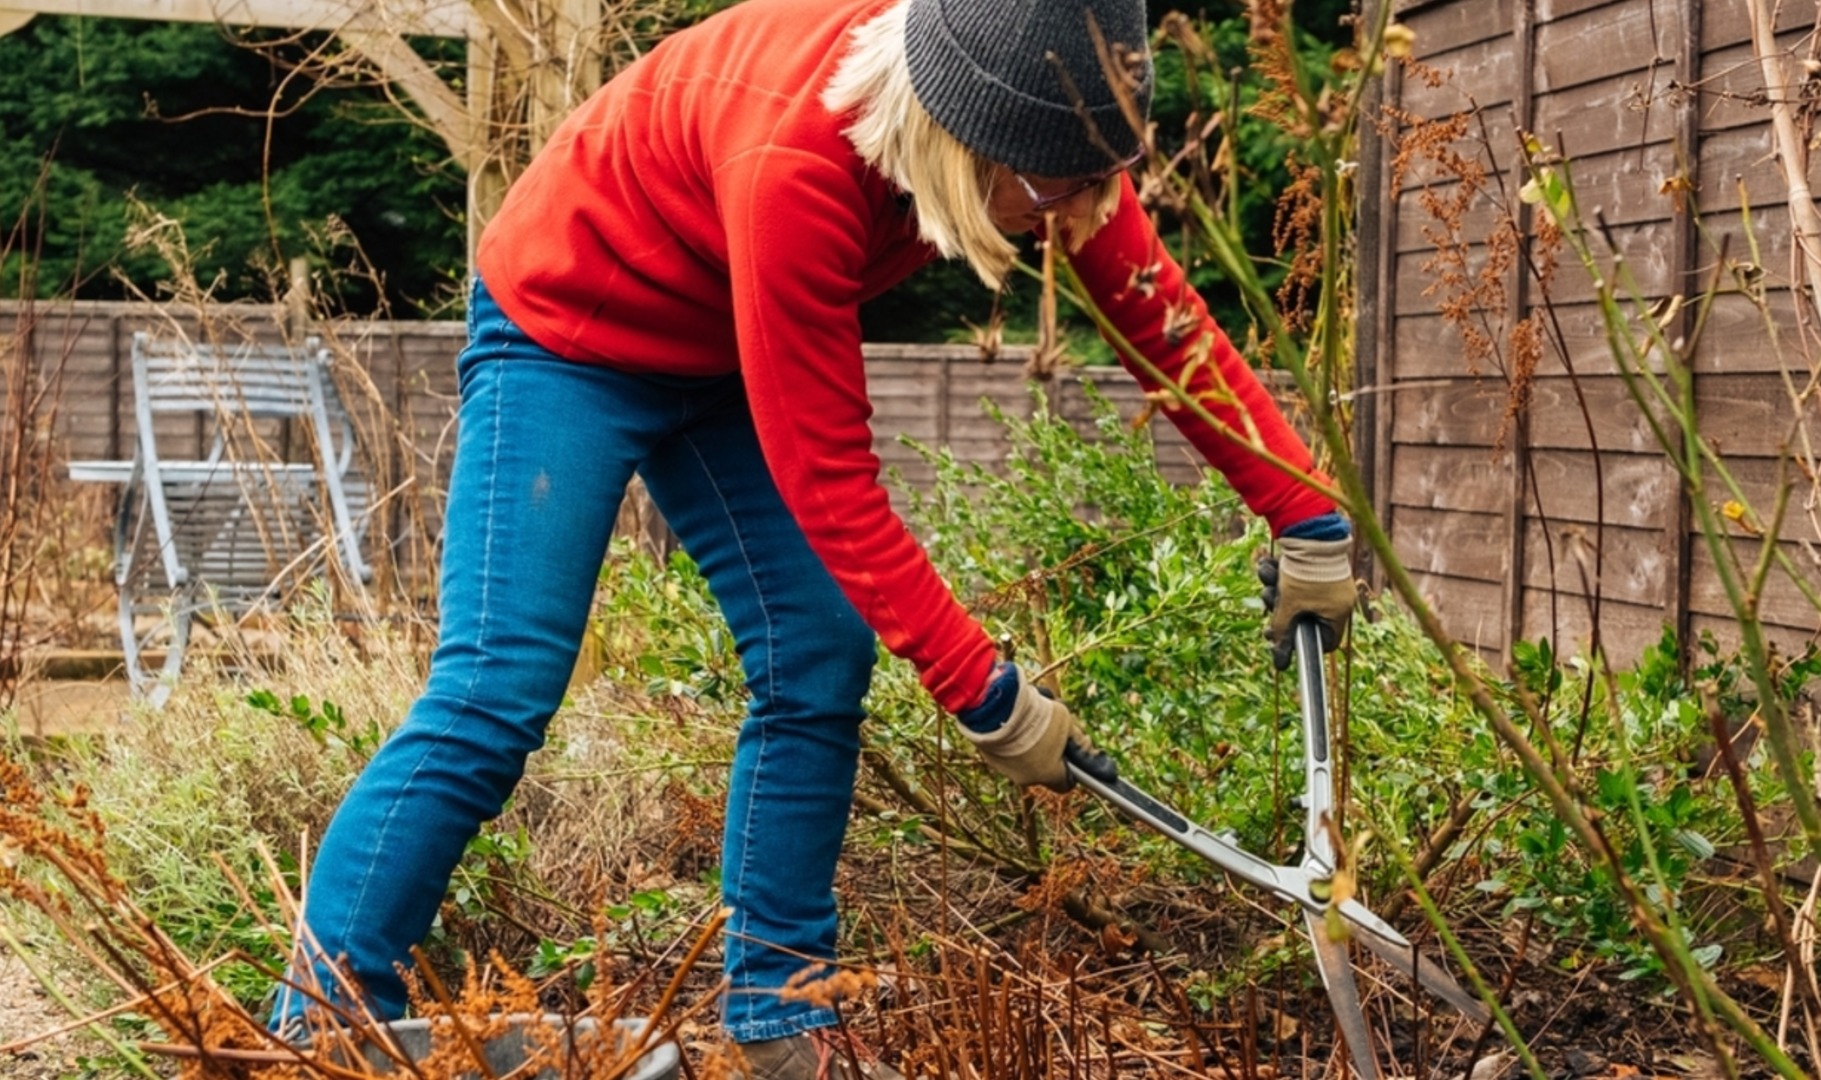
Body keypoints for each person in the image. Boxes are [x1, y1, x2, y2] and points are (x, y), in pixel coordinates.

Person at [275, 0, 1357, 1075]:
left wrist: (1304, 513)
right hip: (569, 328)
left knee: (818, 653)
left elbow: (1161, 318)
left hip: (717, 342)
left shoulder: (1051, 132)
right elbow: (832, 484)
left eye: (1100, 177)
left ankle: (780, 1010)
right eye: (1060, 189)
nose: (1084, 210)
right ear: (961, 140)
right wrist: (982, 691)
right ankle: (318, 1020)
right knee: (496, 684)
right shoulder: (798, 164)